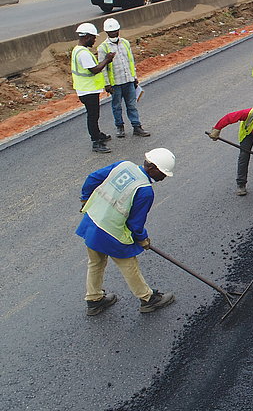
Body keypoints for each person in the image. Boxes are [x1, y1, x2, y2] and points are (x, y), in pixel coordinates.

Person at [77, 148, 177, 315]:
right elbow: (135, 223)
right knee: (129, 264)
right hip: (111, 232)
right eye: (164, 173)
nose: (164, 177)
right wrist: (142, 239)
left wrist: (85, 197)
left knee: (96, 262)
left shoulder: (123, 165)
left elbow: (92, 177)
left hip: (92, 221)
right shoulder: (145, 190)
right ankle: (148, 299)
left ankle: (94, 300)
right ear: (152, 168)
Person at [98, 18, 150, 139]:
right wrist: (107, 84)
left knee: (131, 105)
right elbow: (103, 68)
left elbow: (130, 61)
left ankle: (136, 126)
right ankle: (119, 127)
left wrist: (134, 77)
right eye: (111, 32)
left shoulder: (125, 43)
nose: (114, 33)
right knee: (117, 106)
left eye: (116, 31)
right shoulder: (103, 48)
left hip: (128, 80)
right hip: (115, 83)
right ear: (106, 32)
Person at [72, 22, 116, 153]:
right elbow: (95, 70)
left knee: (94, 115)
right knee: (93, 116)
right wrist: (106, 60)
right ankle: (96, 142)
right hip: (88, 91)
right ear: (86, 37)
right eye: (93, 37)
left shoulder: (77, 50)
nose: (94, 40)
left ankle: (98, 134)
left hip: (84, 89)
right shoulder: (83, 53)